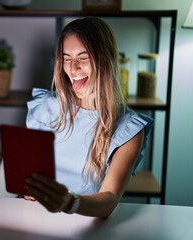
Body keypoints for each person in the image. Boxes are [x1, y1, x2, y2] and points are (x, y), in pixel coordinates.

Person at [23, 17, 154, 218]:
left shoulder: (128, 128)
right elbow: (29, 176)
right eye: (66, 58)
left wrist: (68, 202)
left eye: (83, 58)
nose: (72, 68)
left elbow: (109, 199)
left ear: (104, 59)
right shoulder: (45, 108)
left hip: (85, 224)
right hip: (34, 217)